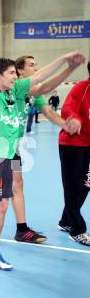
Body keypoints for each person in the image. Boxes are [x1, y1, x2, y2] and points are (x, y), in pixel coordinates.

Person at [0, 12, 81, 271]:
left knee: (2, 204)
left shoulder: (16, 92)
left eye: (15, 74)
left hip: (8, 157)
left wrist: (65, 60)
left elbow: (39, 77)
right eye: (10, 73)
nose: (14, 77)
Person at [0, 53, 85, 244]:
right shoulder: (16, 89)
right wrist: (67, 63)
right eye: (32, 65)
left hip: (13, 146)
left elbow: (49, 109)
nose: (36, 68)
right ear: (19, 71)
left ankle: (21, 229)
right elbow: (42, 82)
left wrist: (65, 125)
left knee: (17, 185)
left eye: (36, 65)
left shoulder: (32, 94)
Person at [58, 60, 90, 246]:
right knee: (72, 186)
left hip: (88, 144)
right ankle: (77, 229)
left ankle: (66, 220)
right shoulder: (82, 88)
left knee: (85, 184)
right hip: (72, 143)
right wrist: (75, 119)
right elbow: (68, 108)